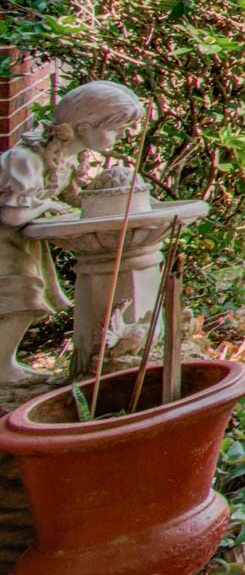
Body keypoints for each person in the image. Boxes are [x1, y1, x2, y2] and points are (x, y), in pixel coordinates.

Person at [0, 81, 145, 384]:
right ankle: (3, 367)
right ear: (84, 125)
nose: (122, 135)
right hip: (5, 240)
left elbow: (74, 199)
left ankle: (4, 362)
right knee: (21, 297)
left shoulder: (66, 159)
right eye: (117, 128)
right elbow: (13, 215)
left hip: (17, 244)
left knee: (26, 298)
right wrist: (46, 205)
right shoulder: (25, 160)